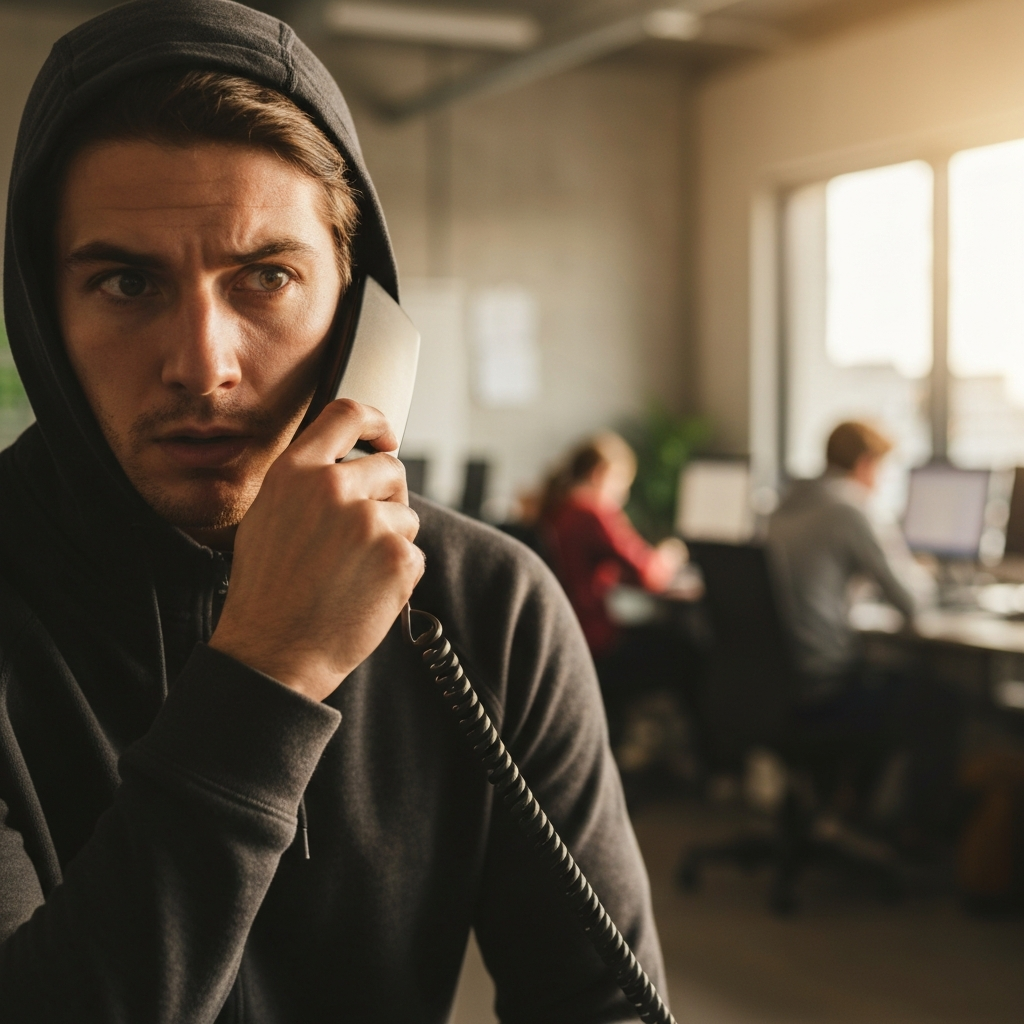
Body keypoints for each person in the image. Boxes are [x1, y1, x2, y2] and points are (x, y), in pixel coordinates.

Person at [0, 3, 667, 1022]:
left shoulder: (487, 602)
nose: (203, 365)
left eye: (265, 278)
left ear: (362, 317)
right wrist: (267, 671)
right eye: (126, 282)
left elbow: (602, 1006)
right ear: (45, 320)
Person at [541, 433, 698, 762]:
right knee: (689, 650)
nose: (622, 495)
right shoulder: (591, 511)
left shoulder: (559, 508)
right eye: (621, 484)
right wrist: (672, 553)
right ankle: (694, 762)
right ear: (601, 474)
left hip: (569, 632)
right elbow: (649, 575)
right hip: (598, 639)